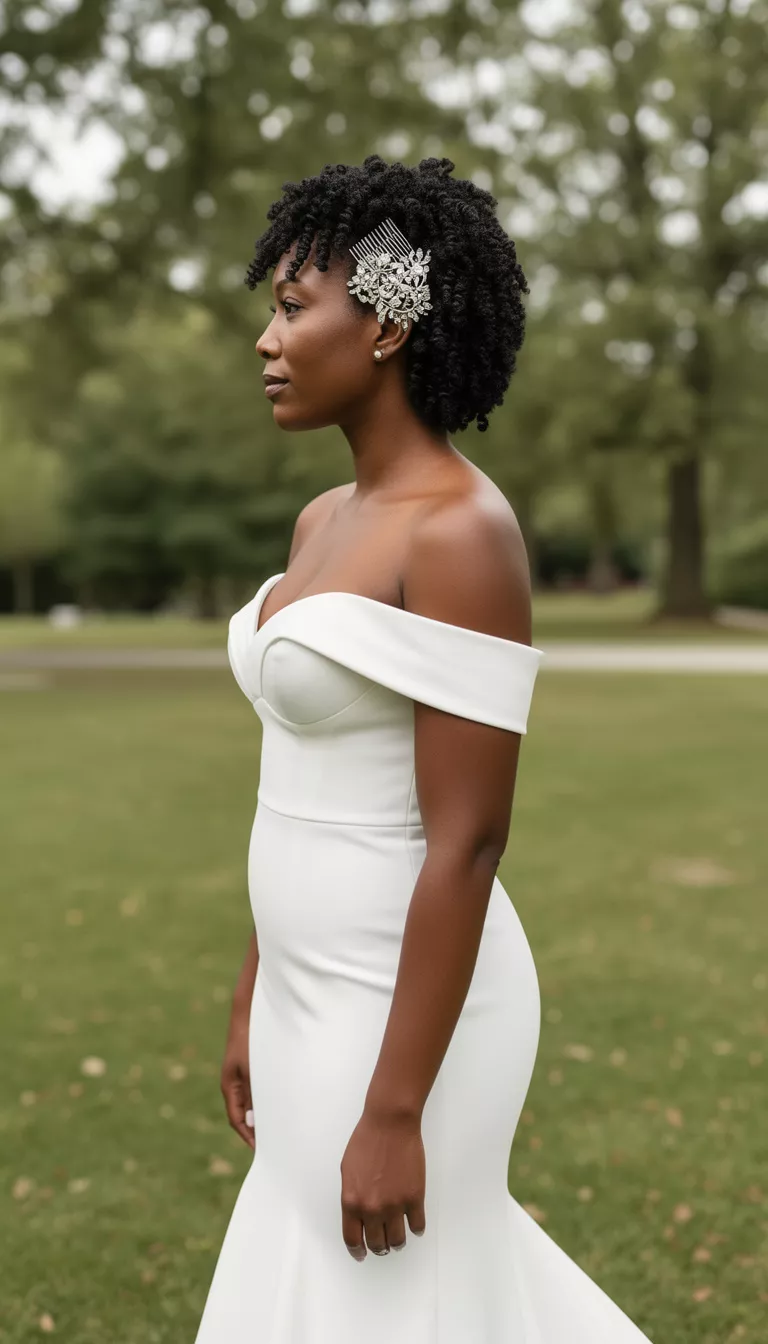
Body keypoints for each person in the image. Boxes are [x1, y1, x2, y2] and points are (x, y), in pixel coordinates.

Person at [193, 155, 653, 1342]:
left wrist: (395, 1109)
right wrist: (253, 992)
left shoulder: (461, 533)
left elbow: (469, 838)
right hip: (303, 987)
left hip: (408, 1007)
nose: (266, 337)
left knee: (402, 1302)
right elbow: (290, 784)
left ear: (389, 323)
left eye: (295, 306)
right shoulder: (321, 520)